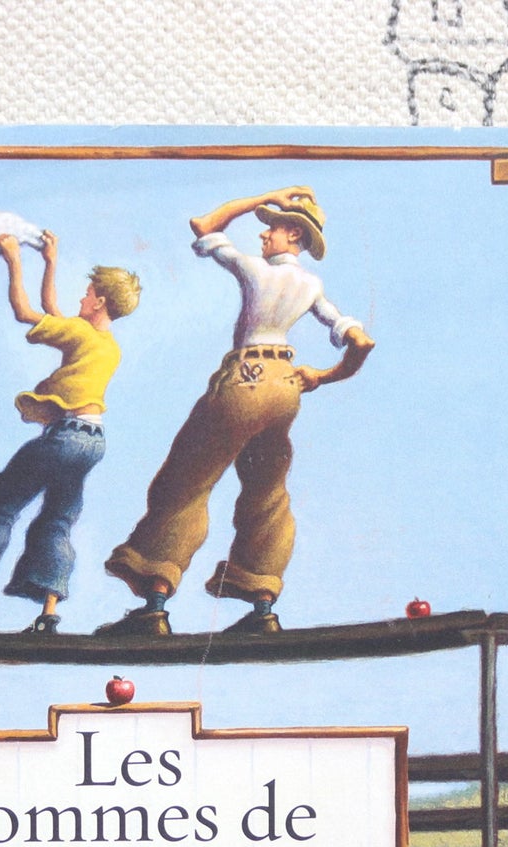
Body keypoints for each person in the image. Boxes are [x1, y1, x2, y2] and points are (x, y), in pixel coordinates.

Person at [98, 187, 374, 635]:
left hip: (245, 378)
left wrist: (265, 195)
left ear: (294, 235)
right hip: (285, 388)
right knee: (267, 491)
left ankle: (154, 605)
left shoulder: (255, 270)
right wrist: (323, 377)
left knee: (186, 481)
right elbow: (361, 342)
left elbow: (204, 226)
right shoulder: (311, 286)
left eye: (272, 228)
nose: (262, 235)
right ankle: (262, 608)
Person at [0, 230, 141, 633]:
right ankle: (47, 616)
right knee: (57, 518)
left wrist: (13, 259)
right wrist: (50, 261)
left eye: (87, 294)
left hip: (64, 437)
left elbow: (26, 311)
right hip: (93, 441)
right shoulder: (107, 344)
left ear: (100, 301)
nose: (81, 299)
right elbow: (53, 311)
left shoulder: (81, 333)